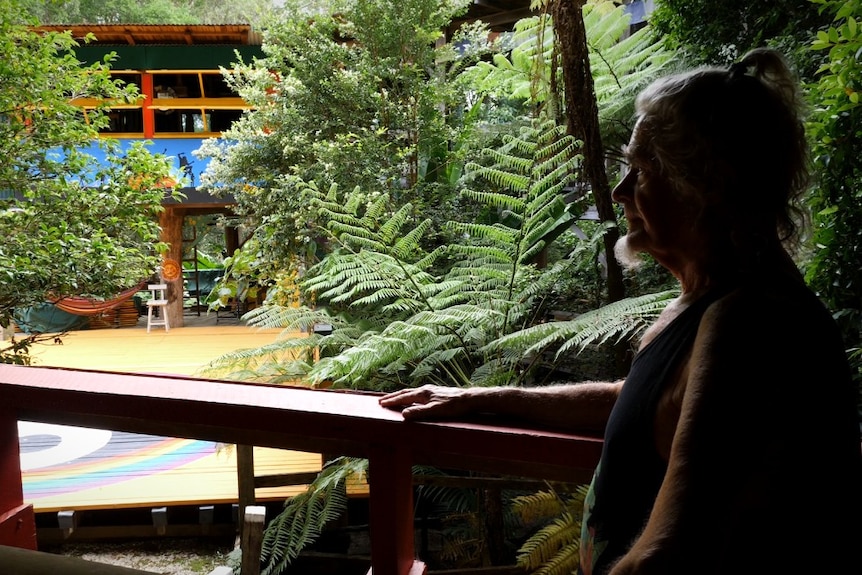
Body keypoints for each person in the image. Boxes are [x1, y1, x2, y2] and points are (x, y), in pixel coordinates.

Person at [380, 48, 862, 575]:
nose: (620, 191)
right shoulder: (705, 303)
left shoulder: (750, 324)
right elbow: (646, 402)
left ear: (704, 186)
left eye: (641, 169)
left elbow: (671, 553)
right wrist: (490, 398)